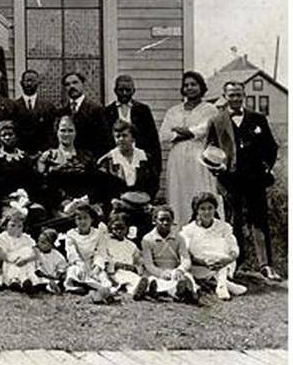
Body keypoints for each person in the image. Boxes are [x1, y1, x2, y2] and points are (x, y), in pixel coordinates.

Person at [206, 81, 280, 280]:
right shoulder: (216, 121)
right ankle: (235, 265)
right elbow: (209, 150)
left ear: (244, 95)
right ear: (225, 96)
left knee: (259, 221)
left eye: (239, 95)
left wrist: (265, 168)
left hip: (255, 180)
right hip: (229, 180)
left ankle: (265, 265)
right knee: (233, 222)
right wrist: (217, 169)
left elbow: (271, 147)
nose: (236, 99)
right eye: (232, 95)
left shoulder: (257, 119)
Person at [159, 71, 221, 225]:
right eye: (186, 85)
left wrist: (183, 130)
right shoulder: (173, 111)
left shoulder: (210, 109)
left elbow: (204, 129)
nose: (189, 88)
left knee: (199, 191)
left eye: (193, 84)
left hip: (199, 157)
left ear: (201, 87)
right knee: (178, 194)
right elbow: (164, 135)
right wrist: (185, 134)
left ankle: (203, 229)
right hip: (178, 157)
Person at [98, 120, 160, 236]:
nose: (121, 139)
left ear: (133, 138)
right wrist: (114, 201)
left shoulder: (145, 158)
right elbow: (102, 190)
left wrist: (148, 200)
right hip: (118, 208)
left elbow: (153, 184)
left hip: (142, 206)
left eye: (125, 135)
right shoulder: (107, 162)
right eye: (117, 136)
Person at [181, 192, 246, 300]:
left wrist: (227, 259)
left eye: (210, 208)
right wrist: (203, 262)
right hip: (199, 265)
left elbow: (234, 249)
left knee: (221, 255)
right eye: (202, 209)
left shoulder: (224, 227)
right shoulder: (188, 230)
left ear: (215, 209)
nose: (207, 212)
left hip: (223, 264)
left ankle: (221, 286)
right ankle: (225, 283)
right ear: (196, 210)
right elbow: (184, 253)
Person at [36, 115, 99, 219]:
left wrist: (85, 200)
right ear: (56, 132)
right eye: (63, 130)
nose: (66, 134)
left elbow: (95, 183)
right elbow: (43, 187)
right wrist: (64, 203)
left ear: (76, 132)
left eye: (70, 130)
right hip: (59, 207)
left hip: (84, 204)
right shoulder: (48, 157)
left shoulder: (87, 156)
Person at [105, 75, 161, 176]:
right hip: (116, 162)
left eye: (128, 90)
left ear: (133, 90)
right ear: (115, 90)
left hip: (138, 161)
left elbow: (153, 140)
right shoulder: (108, 112)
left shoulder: (143, 110)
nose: (124, 93)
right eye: (121, 90)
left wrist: (156, 167)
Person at [139, 206, 198, 303]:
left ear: (172, 221)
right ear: (154, 221)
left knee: (187, 278)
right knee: (154, 281)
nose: (165, 223)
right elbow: (148, 264)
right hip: (157, 271)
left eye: (168, 220)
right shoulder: (147, 239)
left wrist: (180, 270)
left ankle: (184, 289)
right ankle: (174, 292)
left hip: (174, 271)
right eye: (162, 220)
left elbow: (186, 259)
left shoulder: (179, 238)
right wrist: (161, 273)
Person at [0, 121, 39, 221]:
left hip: (24, 197)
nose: (7, 138)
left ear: (16, 135)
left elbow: (32, 180)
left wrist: (24, 194)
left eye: (10, 134)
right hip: (3, 200)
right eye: (3, 135)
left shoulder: (24, 157)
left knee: (37, 212)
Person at [62, 200, 113, 299]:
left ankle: (95, 287)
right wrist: (80, 265)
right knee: (73, 271)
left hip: (93, 263)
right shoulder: (70, 234)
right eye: (79, 219)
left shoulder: (98, 234)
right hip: (78, 263)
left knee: (102, 276)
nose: (82, 222)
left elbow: (101, 252)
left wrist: (96, 268)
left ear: (92, 219)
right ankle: (89, 287)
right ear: (75, 221)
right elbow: (72, 252)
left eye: (85, 218)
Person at [60, 71, 112, 159]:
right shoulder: (62, 112)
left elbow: (104, 139)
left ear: (82, 84)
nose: (72, 86)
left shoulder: (96, 109)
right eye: (67, 84)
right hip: (67, 159)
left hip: (90, 160)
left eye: (75, 82)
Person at [102, 213, 146, 298]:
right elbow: (103, 257)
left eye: (122, 228)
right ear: (110, 227)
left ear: (127, 228)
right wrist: (115, 265)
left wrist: (135, 268)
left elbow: (139, 260)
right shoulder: (105, 242)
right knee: (130, 278)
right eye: (115, 228)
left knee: (135, 278)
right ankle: (136, 290)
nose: (119, 231)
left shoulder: (131, 245)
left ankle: (142, 289)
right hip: (114, 272)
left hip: (129, 270)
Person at [0, 206, 39, 291]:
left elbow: (35, 254)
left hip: (25, 260)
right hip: (10, 261)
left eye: (20, 226)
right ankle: (14, 281)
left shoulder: (26, 238)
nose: (16, 229)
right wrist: (13, 260)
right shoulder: (3, 237)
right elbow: (0, 254)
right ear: (5, 226)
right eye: (13, 225)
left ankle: (26, 281)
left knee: (27, 253)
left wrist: (25, 259)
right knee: (12, 266)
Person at [14, 69, 57, 156]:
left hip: (42, 153)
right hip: (20, 153)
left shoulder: (48, 107)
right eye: (27, 81)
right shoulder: (13, 106)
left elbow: (50, 132)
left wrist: (45, 151)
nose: (29, 84)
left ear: (38, 83)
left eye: (32, 81)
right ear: (21, 83)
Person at [33, 228, 67, 293]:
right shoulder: (37, 253)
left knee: (61, 281)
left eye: (43, 242)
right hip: (41, 276)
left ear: (51, 245)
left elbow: (62, 266)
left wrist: (57, 275)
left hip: (53, 276)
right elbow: (36, 268)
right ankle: (45, 286)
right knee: (36, 281)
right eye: (39, 241)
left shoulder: (56, 255)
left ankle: (56, 286)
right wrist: (44, 275)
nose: (39, 244)